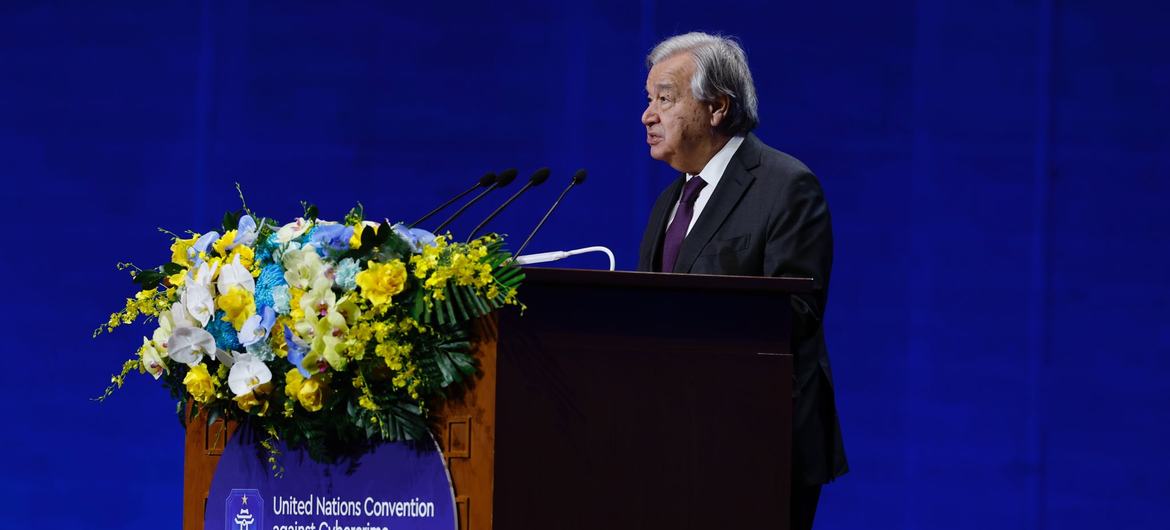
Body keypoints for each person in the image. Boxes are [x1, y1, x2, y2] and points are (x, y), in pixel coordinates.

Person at [636, 32, 848, 530]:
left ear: (717, 108)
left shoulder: (786, 186)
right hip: (674, 439)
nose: (648, 115)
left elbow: (794, 314)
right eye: (649, 100)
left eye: (665, 99)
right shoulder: (670, 202)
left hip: (757, 441)